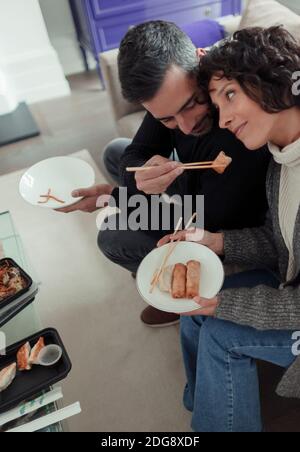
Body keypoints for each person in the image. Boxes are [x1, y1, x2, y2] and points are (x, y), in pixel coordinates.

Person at [59, 21, 271, 328]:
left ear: (201, 60)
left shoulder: (239, 126)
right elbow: (136, 152)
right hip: (198, 191)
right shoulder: (170, 93)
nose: (185, 126)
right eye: (167, 118)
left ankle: (177, 290)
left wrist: (114, 196)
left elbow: (201, 217)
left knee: (112, 236)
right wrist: (139, 179)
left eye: (191, 105)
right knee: (117, 151)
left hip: (220, 220)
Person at [159, 26, 300, 432]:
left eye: (230, 94)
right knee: (192, 310)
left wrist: (226, 306)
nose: (223, 118)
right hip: (287, 284)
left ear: (271, 79)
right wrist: (213, 241)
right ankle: (205, 397)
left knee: (220, 331)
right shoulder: (281, 163)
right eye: (217, 103)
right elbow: (281, 244)